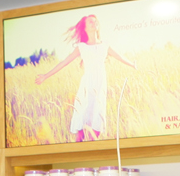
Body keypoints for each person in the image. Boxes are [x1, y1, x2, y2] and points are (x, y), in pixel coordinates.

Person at [34, 14, 136, 142]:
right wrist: (45, 76)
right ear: (85, 28)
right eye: (90, 22)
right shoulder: (81, 47)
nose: (94, 23)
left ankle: (93, 146)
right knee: (83, 118)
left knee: (98, 118)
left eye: (95, 21)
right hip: (87, 85)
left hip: (100, 84)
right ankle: (79, 147)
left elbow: (119, 56)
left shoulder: (105, 45)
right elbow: (64, 62)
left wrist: (132, 64)